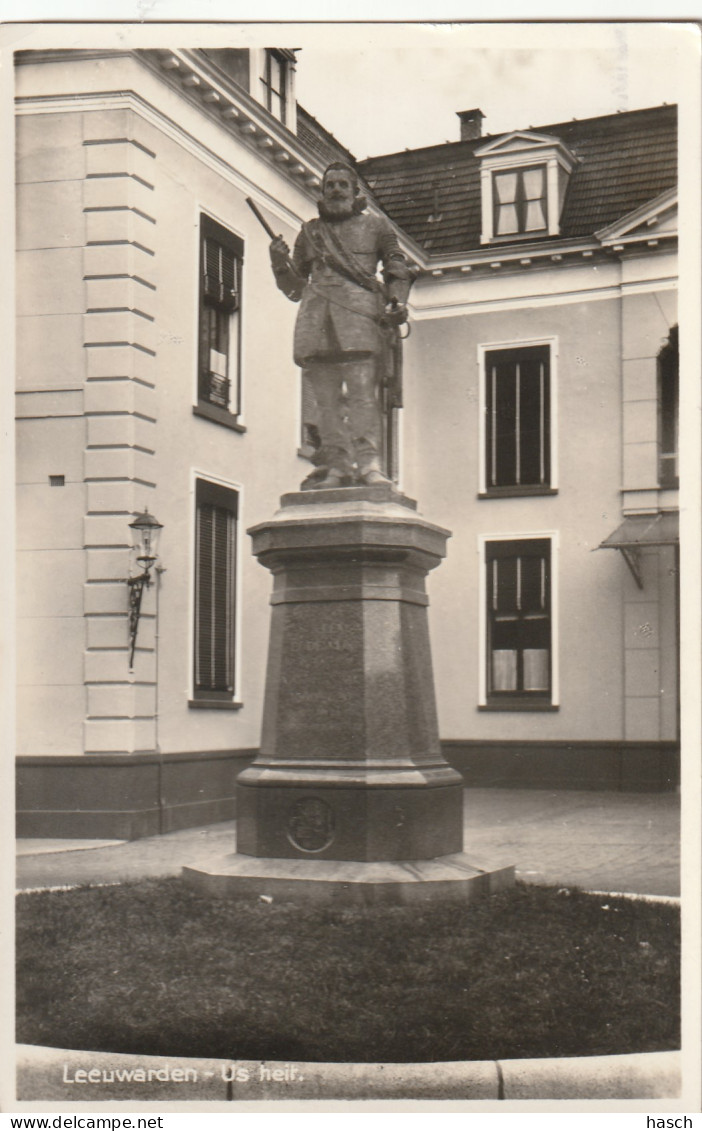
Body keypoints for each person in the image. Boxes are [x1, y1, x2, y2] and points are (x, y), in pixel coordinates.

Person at [269, 162, 413, 489]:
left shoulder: (377, 227)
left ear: (355, 192)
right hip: (316, 320)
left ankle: (369, 464)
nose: (335, 190)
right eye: (329, 185)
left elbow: (396, 265)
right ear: (322, 192)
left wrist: (396, 298)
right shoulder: (309, 232)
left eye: (342, 185)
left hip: (360, 317)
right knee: (325, 399)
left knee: (363, 395)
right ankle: (337, 464)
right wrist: (279, 260)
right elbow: (294, 288)